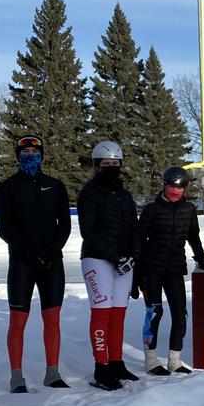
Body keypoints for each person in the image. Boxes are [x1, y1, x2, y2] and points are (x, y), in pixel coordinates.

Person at [0, 134, 72, 392]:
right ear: (18, 156)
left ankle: (53, 373)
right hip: (22, 262)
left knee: (52, 319)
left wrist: (49, 252)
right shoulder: (7, 187)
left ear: (42, 155)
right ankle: (17, 377)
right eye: (25, 152)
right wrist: (30, 254)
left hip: (51, 262)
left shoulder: (55, 185)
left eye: (35, 152)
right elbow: (6, 229)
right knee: (18, 321)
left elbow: (65, 226)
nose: (30, 155)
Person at [137, 166, 204, 375]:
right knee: (154, 312)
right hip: (152, 269)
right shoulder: (151, 210)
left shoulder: (188, 210)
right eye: (172, 187)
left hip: (175, 269)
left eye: (179, 189)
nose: (175, 192)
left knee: (180, 314)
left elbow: (193, 237)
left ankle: (174, 360)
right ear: (164, 185)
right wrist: (137, 273)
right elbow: (139, 241)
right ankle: (151, 360)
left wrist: (201, 258)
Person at [77, 141, 140, 391]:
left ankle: (116, 362)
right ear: (97, 165)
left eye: (115, 163)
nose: (111, 167)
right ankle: (101, 367)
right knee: (102, 313)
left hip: (124, 262)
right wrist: (115, 256)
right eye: (106, 164)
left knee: (118, 313)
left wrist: (133, 255)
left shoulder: (125, 195)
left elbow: (134, 227)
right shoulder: (89, 193)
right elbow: (88, 231)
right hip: (97, 259)